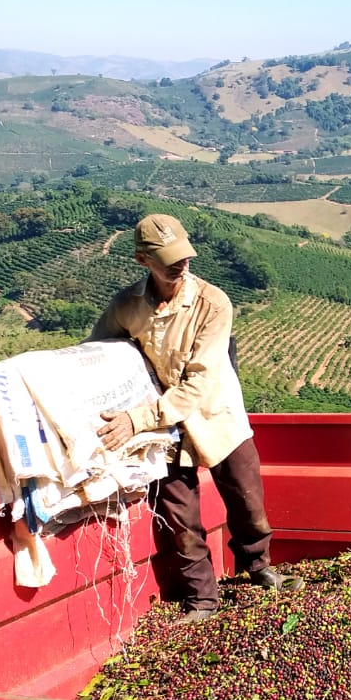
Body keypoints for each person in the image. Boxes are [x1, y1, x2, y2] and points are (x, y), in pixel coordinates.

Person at [89, 213, 298, 623]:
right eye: (168, 259)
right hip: (165, 429)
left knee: (246, 498)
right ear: (141, 260)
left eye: (183, 256)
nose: (180, 265)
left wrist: (138, 418)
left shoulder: (213, 303)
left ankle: (259, 568)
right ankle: (202, 600)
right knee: (180, 517)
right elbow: (96, 351)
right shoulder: (127, 306)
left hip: (215, 414)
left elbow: (200, 382)